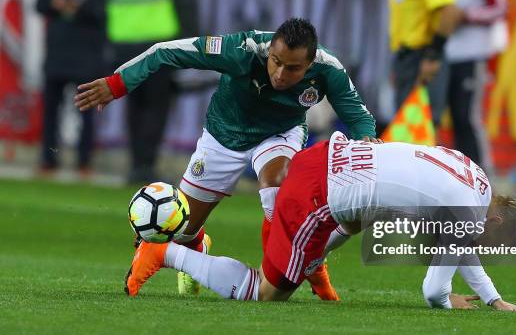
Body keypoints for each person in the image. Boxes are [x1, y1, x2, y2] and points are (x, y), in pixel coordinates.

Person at [74, 18, 379, 300]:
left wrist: (368, 143)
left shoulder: (329, 69)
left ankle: (286, 271)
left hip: (278, 136)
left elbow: (359, 118)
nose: (280, 74)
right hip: (222, 137)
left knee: (278, 185)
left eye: (293, 69)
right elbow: (164, 51)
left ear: (310, 63)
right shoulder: (241, 50)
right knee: (183, 231)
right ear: (269, 50)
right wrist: (117, 83)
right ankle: (197, 247)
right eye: (276, 62)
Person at [124, 131, 516, 312]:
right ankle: (166, 252)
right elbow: (433, 289)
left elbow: (460, 245)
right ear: (493, 218)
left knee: (365, 215)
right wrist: (448, 301)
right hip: (317, 196)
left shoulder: (473, 174)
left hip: (324, 156)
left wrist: (492, 298)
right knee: (266, 293)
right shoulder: (466, 214)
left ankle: (312, 265)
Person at [100, 0, 197, 184]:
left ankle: (137, 165)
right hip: (158, 43)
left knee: (134, 106)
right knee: (156, 106)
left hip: (121, 40)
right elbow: (185, 0)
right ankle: (146, 165)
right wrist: (190, 41)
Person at [427, 0, 508, 168]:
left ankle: (482, 178)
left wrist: (467, 15)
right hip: (443, 53)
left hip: (472, 53)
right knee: (431, 118)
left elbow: (500, 8)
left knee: (465, 118)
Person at [36, 0, 106, 175]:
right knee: (50, 110)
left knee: (86, 111)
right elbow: (40, 5)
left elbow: (102, 12)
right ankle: (48, 158)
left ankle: (84, 161)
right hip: (57, 55)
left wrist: (78, 6)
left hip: (86, 57)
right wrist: (54, 3)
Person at [387, 0, 465, 111]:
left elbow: (449, 12)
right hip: (405, 59)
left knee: (420, 127)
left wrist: (433, 55)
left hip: (422, 59)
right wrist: (397, 64)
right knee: (405, 127)